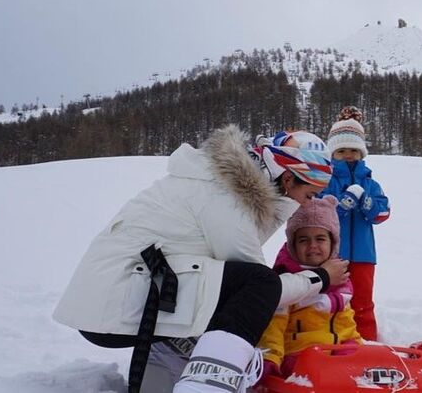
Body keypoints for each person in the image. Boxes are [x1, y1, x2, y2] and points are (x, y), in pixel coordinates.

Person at [52, 125, 350, 393]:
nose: (305, 203)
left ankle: (171, 373)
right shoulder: (226, 198)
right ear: (287, 178)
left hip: (123, 296)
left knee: (223, 291)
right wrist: (322, 277)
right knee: (256, 286)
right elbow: (263, 290)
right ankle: (207, 385)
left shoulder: (222, 185)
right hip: (116, 305)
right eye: (309, 194)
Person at [258, 194, 362, 378]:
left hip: (340, 349)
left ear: (333, 243)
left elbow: (346, 323)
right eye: (304, 240)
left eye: (320, 239)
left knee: (362, 369)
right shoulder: (288, 280)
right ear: (292, 245)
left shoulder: (340, 278)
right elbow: (273, 327)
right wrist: (269, 359)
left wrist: (356, 345)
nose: (312, 245)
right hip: (300, 355)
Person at [322, 106, 391, 340]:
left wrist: (367, 203)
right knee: (332, 299)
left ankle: (367, 343)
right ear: (333, 153)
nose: (348, 155)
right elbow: (317, 211)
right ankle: (332, 339)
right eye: (342, 150)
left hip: (363, 255)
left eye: (353, 150)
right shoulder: (325, 180)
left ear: (361, 153)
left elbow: (383, 213)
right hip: (332, 254)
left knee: (362, 301)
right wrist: (341, 206)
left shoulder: (370, 183)